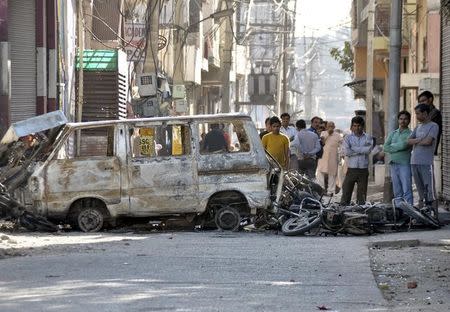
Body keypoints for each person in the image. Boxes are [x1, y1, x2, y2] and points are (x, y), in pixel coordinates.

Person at [408, 104, 439, 212]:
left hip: (426, 163)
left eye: (418, 113)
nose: (416, 116)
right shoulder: (417, 127)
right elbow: (408, 141)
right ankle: (423, 217)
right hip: (414, 162)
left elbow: (428, 142)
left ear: (425, 113)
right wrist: (419, 140)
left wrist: (416, 141)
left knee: (430, 191)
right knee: (420, 192)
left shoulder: (433, 126)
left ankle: (435, 217)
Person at [340, 116, 373, 205]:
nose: (357, 128)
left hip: (363, 170)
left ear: (363, 126)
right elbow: (347, 152)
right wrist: (361, 150)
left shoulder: (368, 137)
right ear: (352, 126)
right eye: (354, 126)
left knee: (361, 196)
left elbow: (368, 150)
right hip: (351, 169)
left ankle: (360, 214)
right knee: (346, 193)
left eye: (359, 126)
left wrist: (353, 148)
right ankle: (343, 212)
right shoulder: (348, 138)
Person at [383, 111, 413, 205]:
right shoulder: (393, 133)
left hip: (405, 164)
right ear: (398, 120)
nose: (403, 121)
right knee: (397, 191)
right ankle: (399, 212)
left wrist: (393, 146)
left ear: (409, 120)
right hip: (393, 164)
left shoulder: (411, 134)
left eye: (405, 119)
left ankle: (410, 213)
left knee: (407, 189)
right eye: (401, 119)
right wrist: (400, 145)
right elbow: (385, 147)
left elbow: (405, 145)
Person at [317, 121, 343, 196]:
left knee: (332, 174)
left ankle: (330, 191)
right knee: (320, 173)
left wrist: (341, 155)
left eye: (332, 126)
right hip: (323, 157)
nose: (330, 128)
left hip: (333, 157)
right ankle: (321, 190)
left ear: (334, 127)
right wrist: (328, 132)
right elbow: (322, 141)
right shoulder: (323, 133)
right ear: (326, 127)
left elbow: (342, 145)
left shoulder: (338, 135)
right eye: (329, 126)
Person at [418, 91, 442, 155]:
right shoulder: (426, 113)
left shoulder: (434, 113)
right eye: (420, 102)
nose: (421, 104)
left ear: (430, 99)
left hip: (429, 149)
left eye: (423, 101)